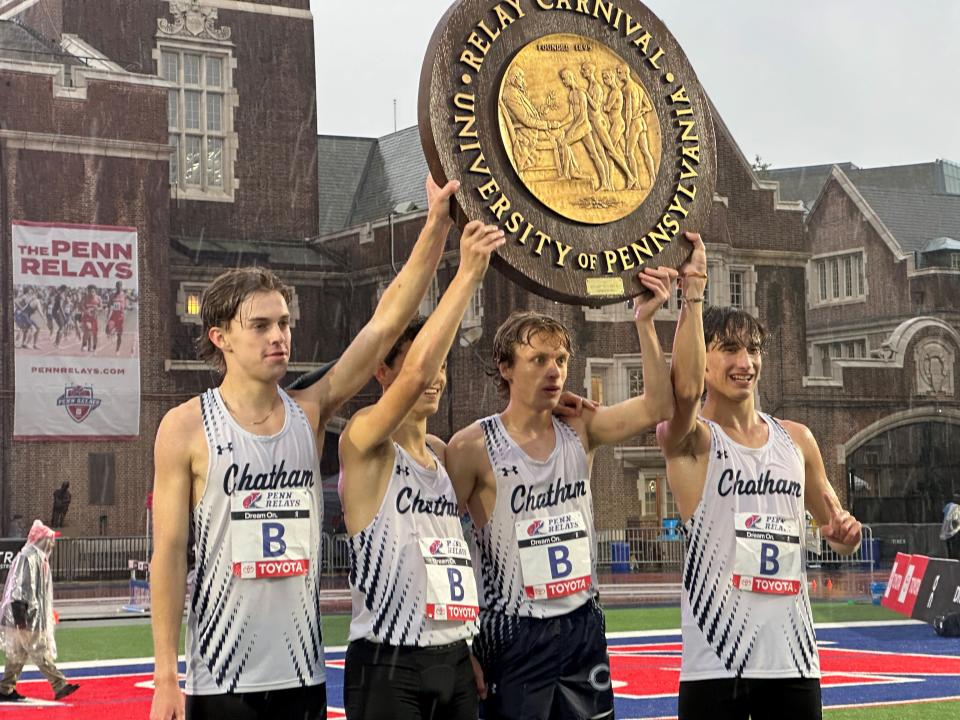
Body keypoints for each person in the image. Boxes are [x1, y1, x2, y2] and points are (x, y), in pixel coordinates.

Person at [149, 175, 461, 720]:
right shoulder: (185, 426)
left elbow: (385, 322)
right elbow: (170, 556)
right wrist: (164, 676)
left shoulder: (310, 410)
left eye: (285, 323)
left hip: (300, 672)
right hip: (220, 678)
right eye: (262, 325)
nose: (279, 336)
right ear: (220, 336)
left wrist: (435, 224)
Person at [446, 262, 679, 720]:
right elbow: (438, 543)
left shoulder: (580, 428)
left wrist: (645, 322)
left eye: (561, 360)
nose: (554, 370)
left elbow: (658, 405)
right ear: (505, 368)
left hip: (581, 626)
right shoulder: (472, 446)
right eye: (539, 360)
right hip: (514, 630)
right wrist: (458, 644)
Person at [656, 235, 863, 720]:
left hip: (792, 657)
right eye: (728, 349)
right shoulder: (691, 439)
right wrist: (694, 290)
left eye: (752, 350)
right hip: (716, 661)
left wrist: (844, 533)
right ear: (703, 358)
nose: (744, 363)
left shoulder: (798, 439)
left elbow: (836, 530)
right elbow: (682, 390)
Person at [339, 217, 504, 719]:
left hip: (453, 656)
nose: (434, 377)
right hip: (388, 660)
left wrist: (466, 645)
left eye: (442, 366)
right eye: (422, 364)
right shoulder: (365, 439)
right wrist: (467, 275)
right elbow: (412, 379)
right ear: (382, 371)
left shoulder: (442, 452)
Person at [0, 520, 80, 703]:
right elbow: (19, 589)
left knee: (17, 654)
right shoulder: (28, 558)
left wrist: (46, 614)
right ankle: (59, 684)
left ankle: (5, 689)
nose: (52, 543)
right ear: (41, 539)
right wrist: (20, 617)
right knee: (39, 651)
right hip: (24, 617)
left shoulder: (39, 558)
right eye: (49, 539)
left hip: (27, 617)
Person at [106, 281, 127, 355]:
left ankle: (117, 349)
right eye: (117, 286)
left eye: (120, 286)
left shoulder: (124, 295)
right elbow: (109, 305)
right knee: (107, 329)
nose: (118, 287)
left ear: (121, 287)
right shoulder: (112, 295)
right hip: (113, 316)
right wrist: (108, 314)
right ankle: (113, 333)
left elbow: (134, 299)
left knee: (119, 335)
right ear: (116, 286)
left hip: (121, 317)